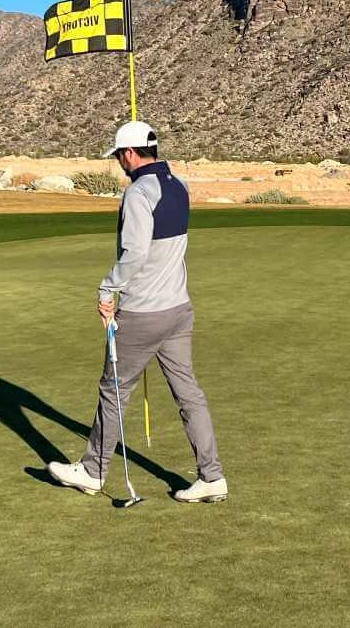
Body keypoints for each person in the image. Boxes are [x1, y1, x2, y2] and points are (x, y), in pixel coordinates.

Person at [48, 121, 228, 502]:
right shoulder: (180, 186)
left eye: (118, 156)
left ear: (129, 154)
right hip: (179, 308)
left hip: (144, 313)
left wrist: (107, 289)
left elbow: (135, 254)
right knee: (188, 393)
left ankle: (93, 471)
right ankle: (211, 476)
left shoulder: (138, 193)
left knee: (114, 390)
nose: (118, 162)